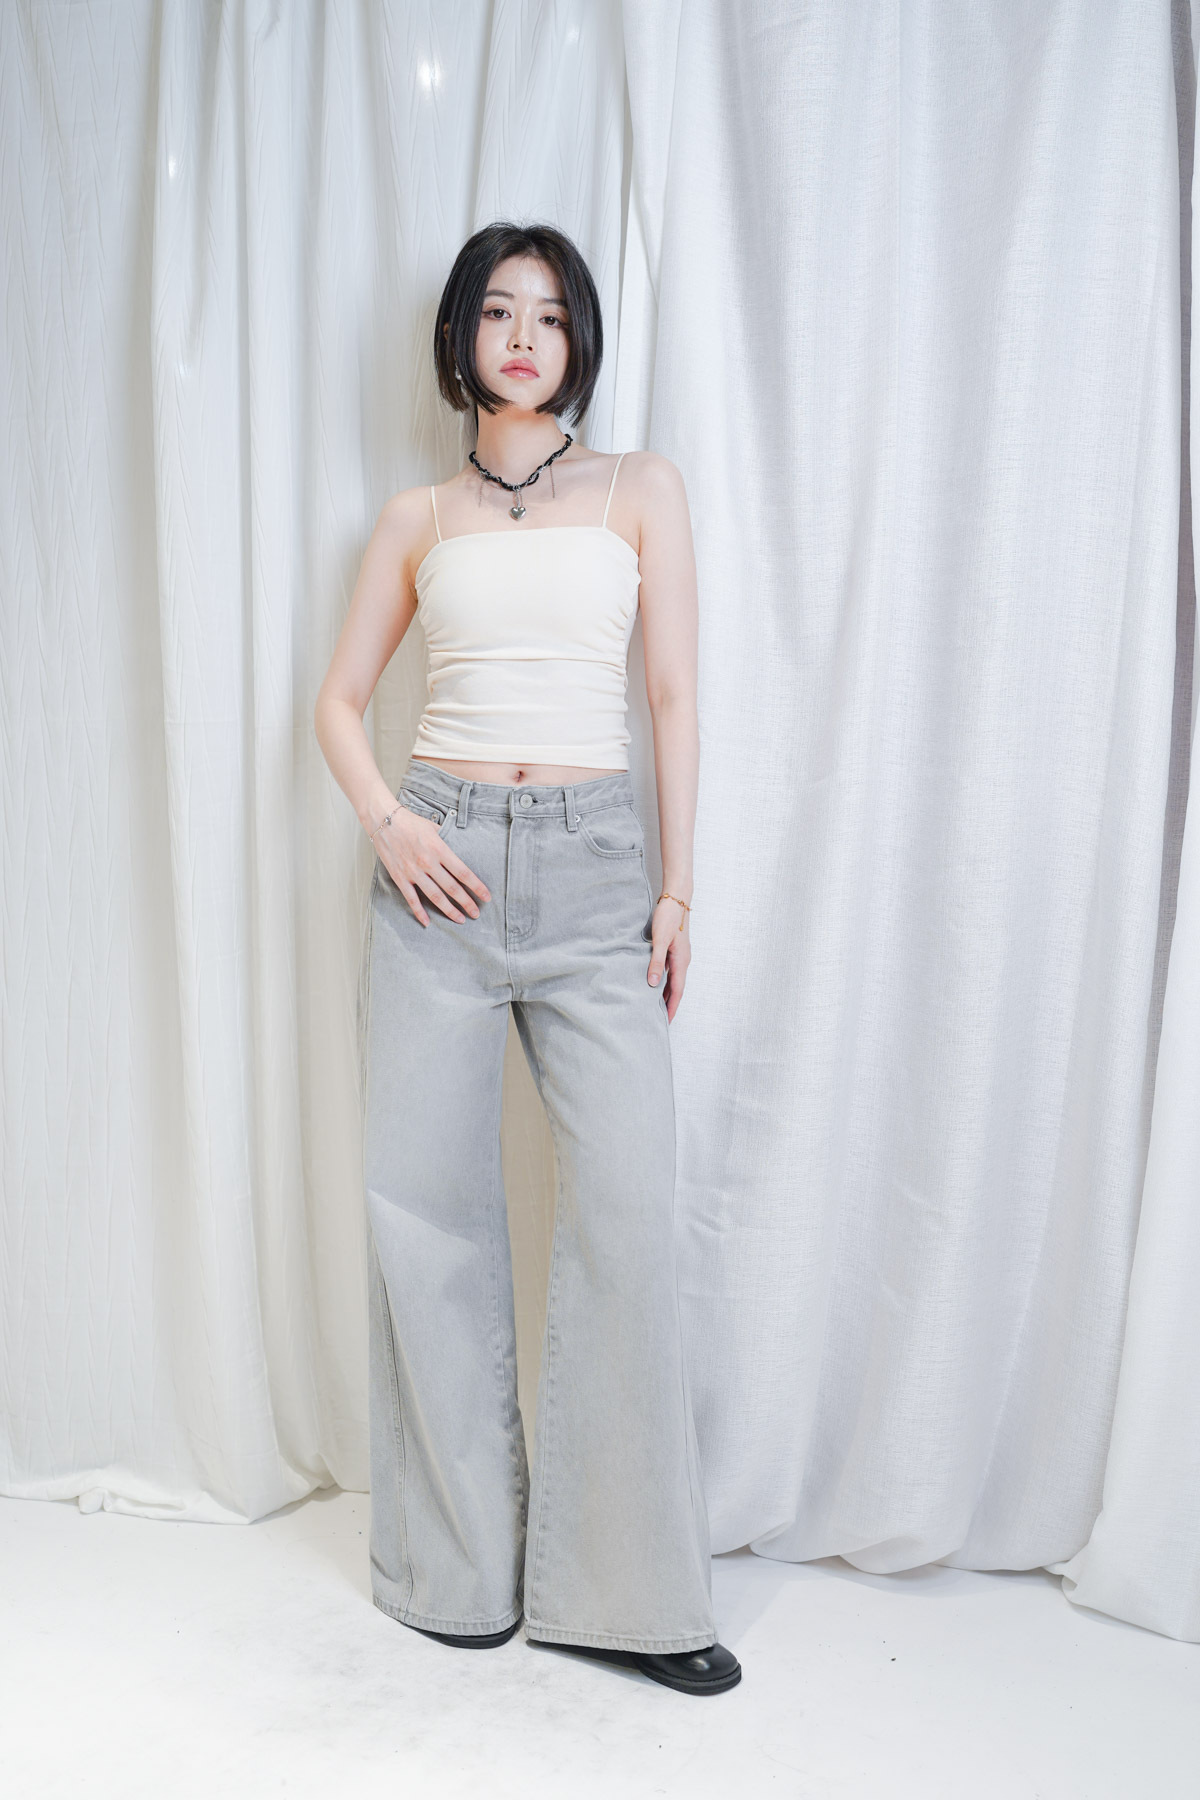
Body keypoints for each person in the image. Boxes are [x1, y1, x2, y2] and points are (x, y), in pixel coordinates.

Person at [314, 221, 740, 1697]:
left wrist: (676, 889)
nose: (520, 338)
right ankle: (455, 1575)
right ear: (461, 337)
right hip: (434, 869)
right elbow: (339, 701)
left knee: (626, 1215)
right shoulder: (416, 517)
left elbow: (672, 697)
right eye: (497, 312)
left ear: (578, 343)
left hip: (595, 870)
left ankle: (630, 1597)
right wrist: (389, 825)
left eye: (548, 317)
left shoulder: (639, 490)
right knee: (428, 1212)